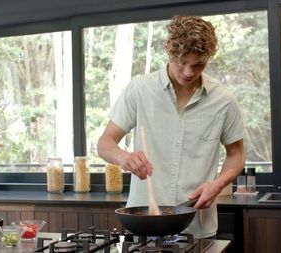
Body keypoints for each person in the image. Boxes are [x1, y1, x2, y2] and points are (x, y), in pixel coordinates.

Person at [97, 16, 246, 238]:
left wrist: (218, 183)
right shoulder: (140, 90)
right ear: (169, 52)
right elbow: (105, 143)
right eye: (182, 62)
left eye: (198, 65)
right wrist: (123, 157)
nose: (188, 72)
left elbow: (236, 154)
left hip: (197, 227)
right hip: (143, 226)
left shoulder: (224, 100)